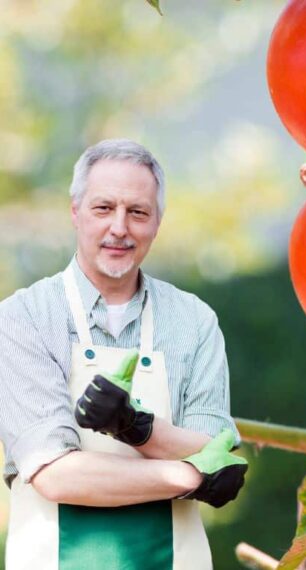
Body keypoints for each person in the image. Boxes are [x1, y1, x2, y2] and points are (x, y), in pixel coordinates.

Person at [0, 139, 248, 569]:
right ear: (75, 212)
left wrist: (138, 427)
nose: (120, 228)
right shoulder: (23, 318)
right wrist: (190, 474)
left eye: (138, 212)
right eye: (103, 208)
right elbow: (56, 474)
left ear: (157, 221)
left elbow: (219, 451)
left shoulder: (194, 321)